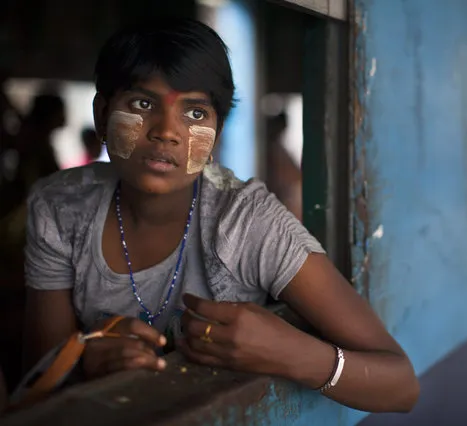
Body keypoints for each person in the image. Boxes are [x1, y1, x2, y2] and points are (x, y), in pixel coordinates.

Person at [21, 18, 419, 413]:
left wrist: (291, 353)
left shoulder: (247, 222)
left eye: (195, 113)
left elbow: (400, 385)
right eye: (143, 104)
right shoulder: (61, 207)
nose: (167, 131)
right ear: (102, 114)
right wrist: (88, 357)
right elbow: (43, 377)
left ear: (217, 133)